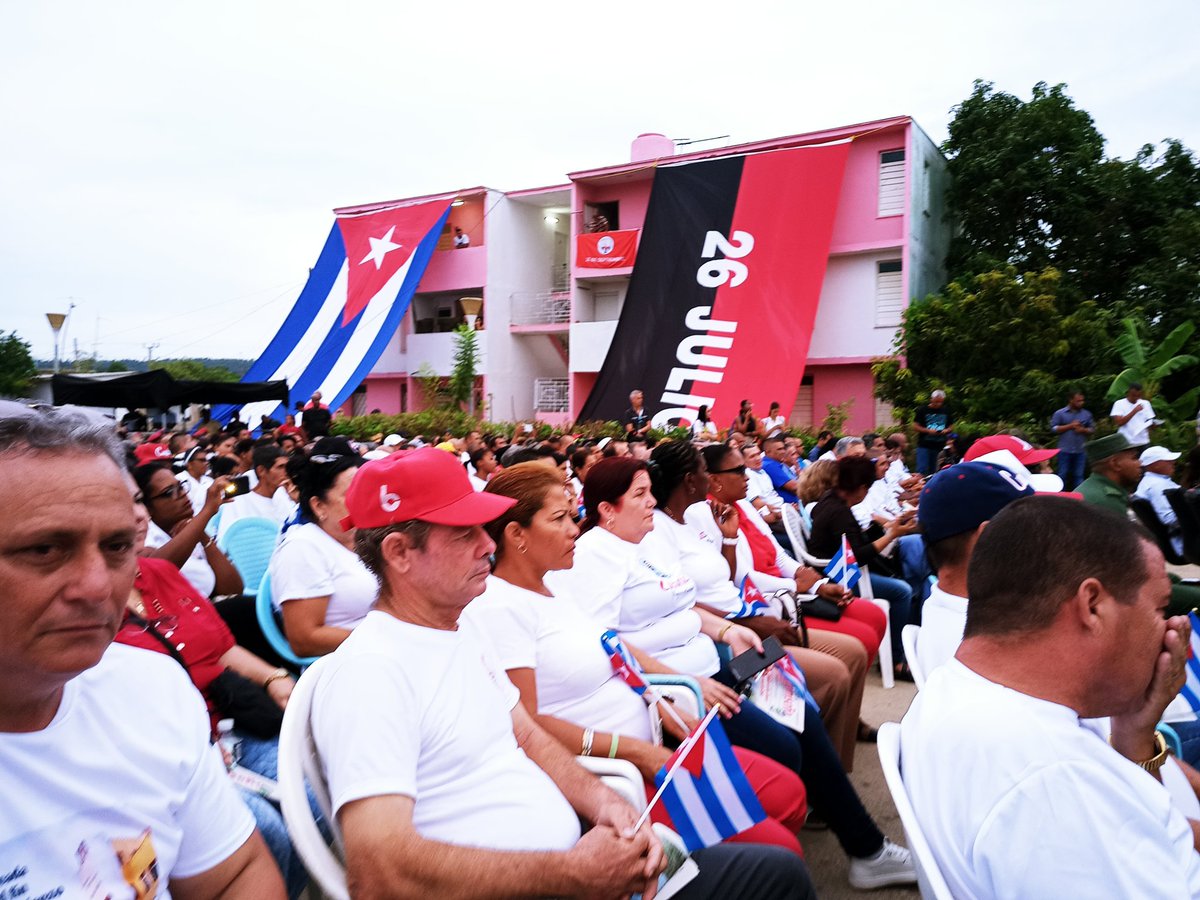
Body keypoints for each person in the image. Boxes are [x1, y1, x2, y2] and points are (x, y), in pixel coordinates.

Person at [312, 447, 814, 899]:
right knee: (777, 875)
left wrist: (606, 804)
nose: (488, 546)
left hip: (576, 856)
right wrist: (574, 872)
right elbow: (377, 874)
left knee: (777, 870)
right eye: (464, 533)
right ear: (399, 552)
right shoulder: (370, 674)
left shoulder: (457, 632)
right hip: (549, 879)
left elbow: (527, 732)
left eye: (484, 529)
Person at [553, 456, 917, 890]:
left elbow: (686, 606)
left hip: (717, 660)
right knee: (790, 738)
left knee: (801, 711)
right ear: (607, 509)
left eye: (651, 490)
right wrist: (674, 687)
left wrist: (728, 629)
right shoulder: (597, 556)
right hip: (689, 689)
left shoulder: (645, 543)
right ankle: (855, 844)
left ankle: (861, 844)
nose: (651, 501)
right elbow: (605, 644)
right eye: (639, 495)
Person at [0, 402, 284, 894]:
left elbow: (234, 877)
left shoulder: (151, 688)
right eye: (44, 549)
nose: (96, 586)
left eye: (115, 547)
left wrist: (275, 678)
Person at [466, 463, 812, 856]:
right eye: (560, 518)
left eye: (572, 516)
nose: (574, 528)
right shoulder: (500, 608)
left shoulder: (552, 588)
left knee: (790, 793)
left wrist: (663, 701)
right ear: (517, 535)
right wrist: (632, 751)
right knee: (783, 851)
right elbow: (526, 725)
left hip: (658, 738)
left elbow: (613, 648)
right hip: (621, 775)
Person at [901, 497, 1200, 897]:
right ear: (1091, 605)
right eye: (1161, 608)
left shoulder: (955, 690)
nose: (1171, 627)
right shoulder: (1056, 783)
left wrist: (1134, 735)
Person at [912, 461, 1035, 678]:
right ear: (989, 537)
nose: (1039, 537)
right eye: (1029, 525)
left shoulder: (958, 610)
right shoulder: (986, 643)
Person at [808, 457, 924, 681]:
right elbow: (859, 556)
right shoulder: (839, 512)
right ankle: (896, 660)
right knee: (902, 591)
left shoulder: (831, 500)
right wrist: (892, 534)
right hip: (838, 577)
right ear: (861, 488)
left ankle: (899, 649)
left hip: (838, 570)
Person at [268, 442, 377, 656]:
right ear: (319, 506)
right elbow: (304, 639)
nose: (364, 500)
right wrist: (386, 640)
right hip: (346, 664)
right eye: (351, 494)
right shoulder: (302, 548)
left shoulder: (363, 538)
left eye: (365, 491)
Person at [135, 461, 243, 599]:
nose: (181, 494)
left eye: (180, 487)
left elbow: (234, 589)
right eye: (168, 492)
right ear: (148, 507)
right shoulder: (147, 539)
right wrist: (207, 511)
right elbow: (152, 571)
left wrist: (202, 535)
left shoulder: (191, 528)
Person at [217, 443, 296, 541]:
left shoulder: (286, 496)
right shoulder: (238, 501)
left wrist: (297, 501)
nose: (286, 472)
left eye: (287, 467)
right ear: (261, 471)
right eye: (280, 467)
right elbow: (226, 540)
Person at [1136, 445, 1185, 557]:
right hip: (1183, 543)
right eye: (1168, 460)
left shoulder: (1151, 482)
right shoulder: (1157, 486)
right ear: (1155, 465)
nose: (1173, 462)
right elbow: (1169, 518)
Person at [1050, 389, 1096, 490]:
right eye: (1078, 401)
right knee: (1063, 474)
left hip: (1080, 450)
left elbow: (1092, 429)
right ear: (1070, 400)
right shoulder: (1060, 413)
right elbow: (1053, 428)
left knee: (1078, 475)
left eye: (1082, 401)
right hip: (1064, 449)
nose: (1081, 403)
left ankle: (1079, 497)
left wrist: (1082, 430)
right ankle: (1059, 497)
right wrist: (1070, 426)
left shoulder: (1086, 414)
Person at [913, 390, 952, 475]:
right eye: (936, 402)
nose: (938, 404)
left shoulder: (946, 411)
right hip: (924, 445)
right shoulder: (922, 410)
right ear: (931, 399)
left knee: (935, 470)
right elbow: (915, 426)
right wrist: (928, 431)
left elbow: (951, 426)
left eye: (940, 402)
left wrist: (946, 430)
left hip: (939, 446)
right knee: (922, 470)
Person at [1111, 382, 1157, 447]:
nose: (1136, 398)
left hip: (1143, 442)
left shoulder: (1146, 403)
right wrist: (1134, 411)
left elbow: (1150, 421)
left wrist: (1153, 425)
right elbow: (1119, 423)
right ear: (1128, 393)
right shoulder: (1119, 404)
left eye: (1139, 396)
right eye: (1134, 395)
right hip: (1126, 442)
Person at [760, 435, 801, 506]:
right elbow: (794, 487)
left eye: (783, 448)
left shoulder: (773, 464)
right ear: (767, 452)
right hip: (789, 509)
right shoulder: (770, 465)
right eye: (779, 449)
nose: (783, 452)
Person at [176, 444, 213, 513]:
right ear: (189, 464)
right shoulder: (178, 480)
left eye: (206, 460)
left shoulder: (210, 481)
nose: (206, 463)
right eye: (202, 460)